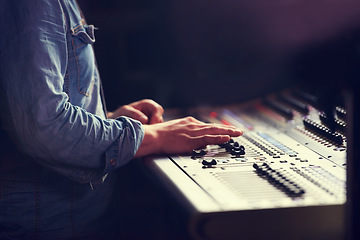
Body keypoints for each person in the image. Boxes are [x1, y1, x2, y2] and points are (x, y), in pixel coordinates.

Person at [0, 1, 242, 239]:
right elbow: (44, 127)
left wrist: (109, 121)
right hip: (47, 228)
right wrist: (154, 137)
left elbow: (25, 111)